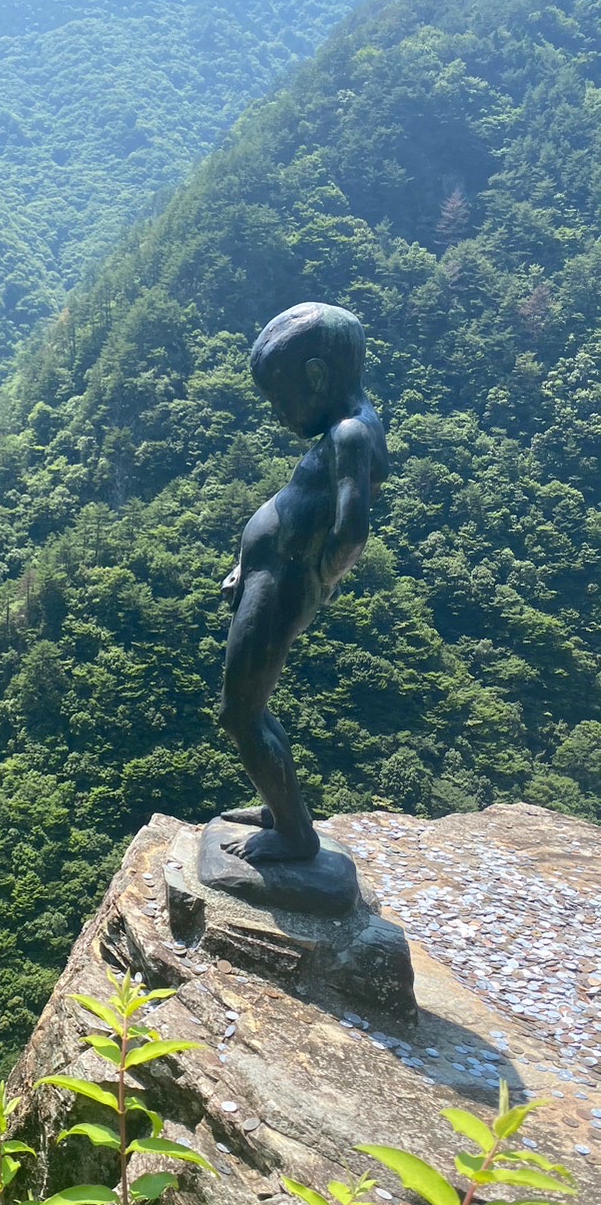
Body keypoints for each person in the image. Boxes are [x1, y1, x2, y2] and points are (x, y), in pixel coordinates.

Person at [218, 302, 388, 864]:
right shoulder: (351, 423)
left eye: (279, 396)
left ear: (316, 376)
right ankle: (279, 808)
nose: (276, 412)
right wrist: (249, 562)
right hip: (274, 571)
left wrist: (317, 579)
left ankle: (294, 835)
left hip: (286, 581)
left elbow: (351, 531)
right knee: (257, 709)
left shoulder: (348, 436)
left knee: (240, 714)